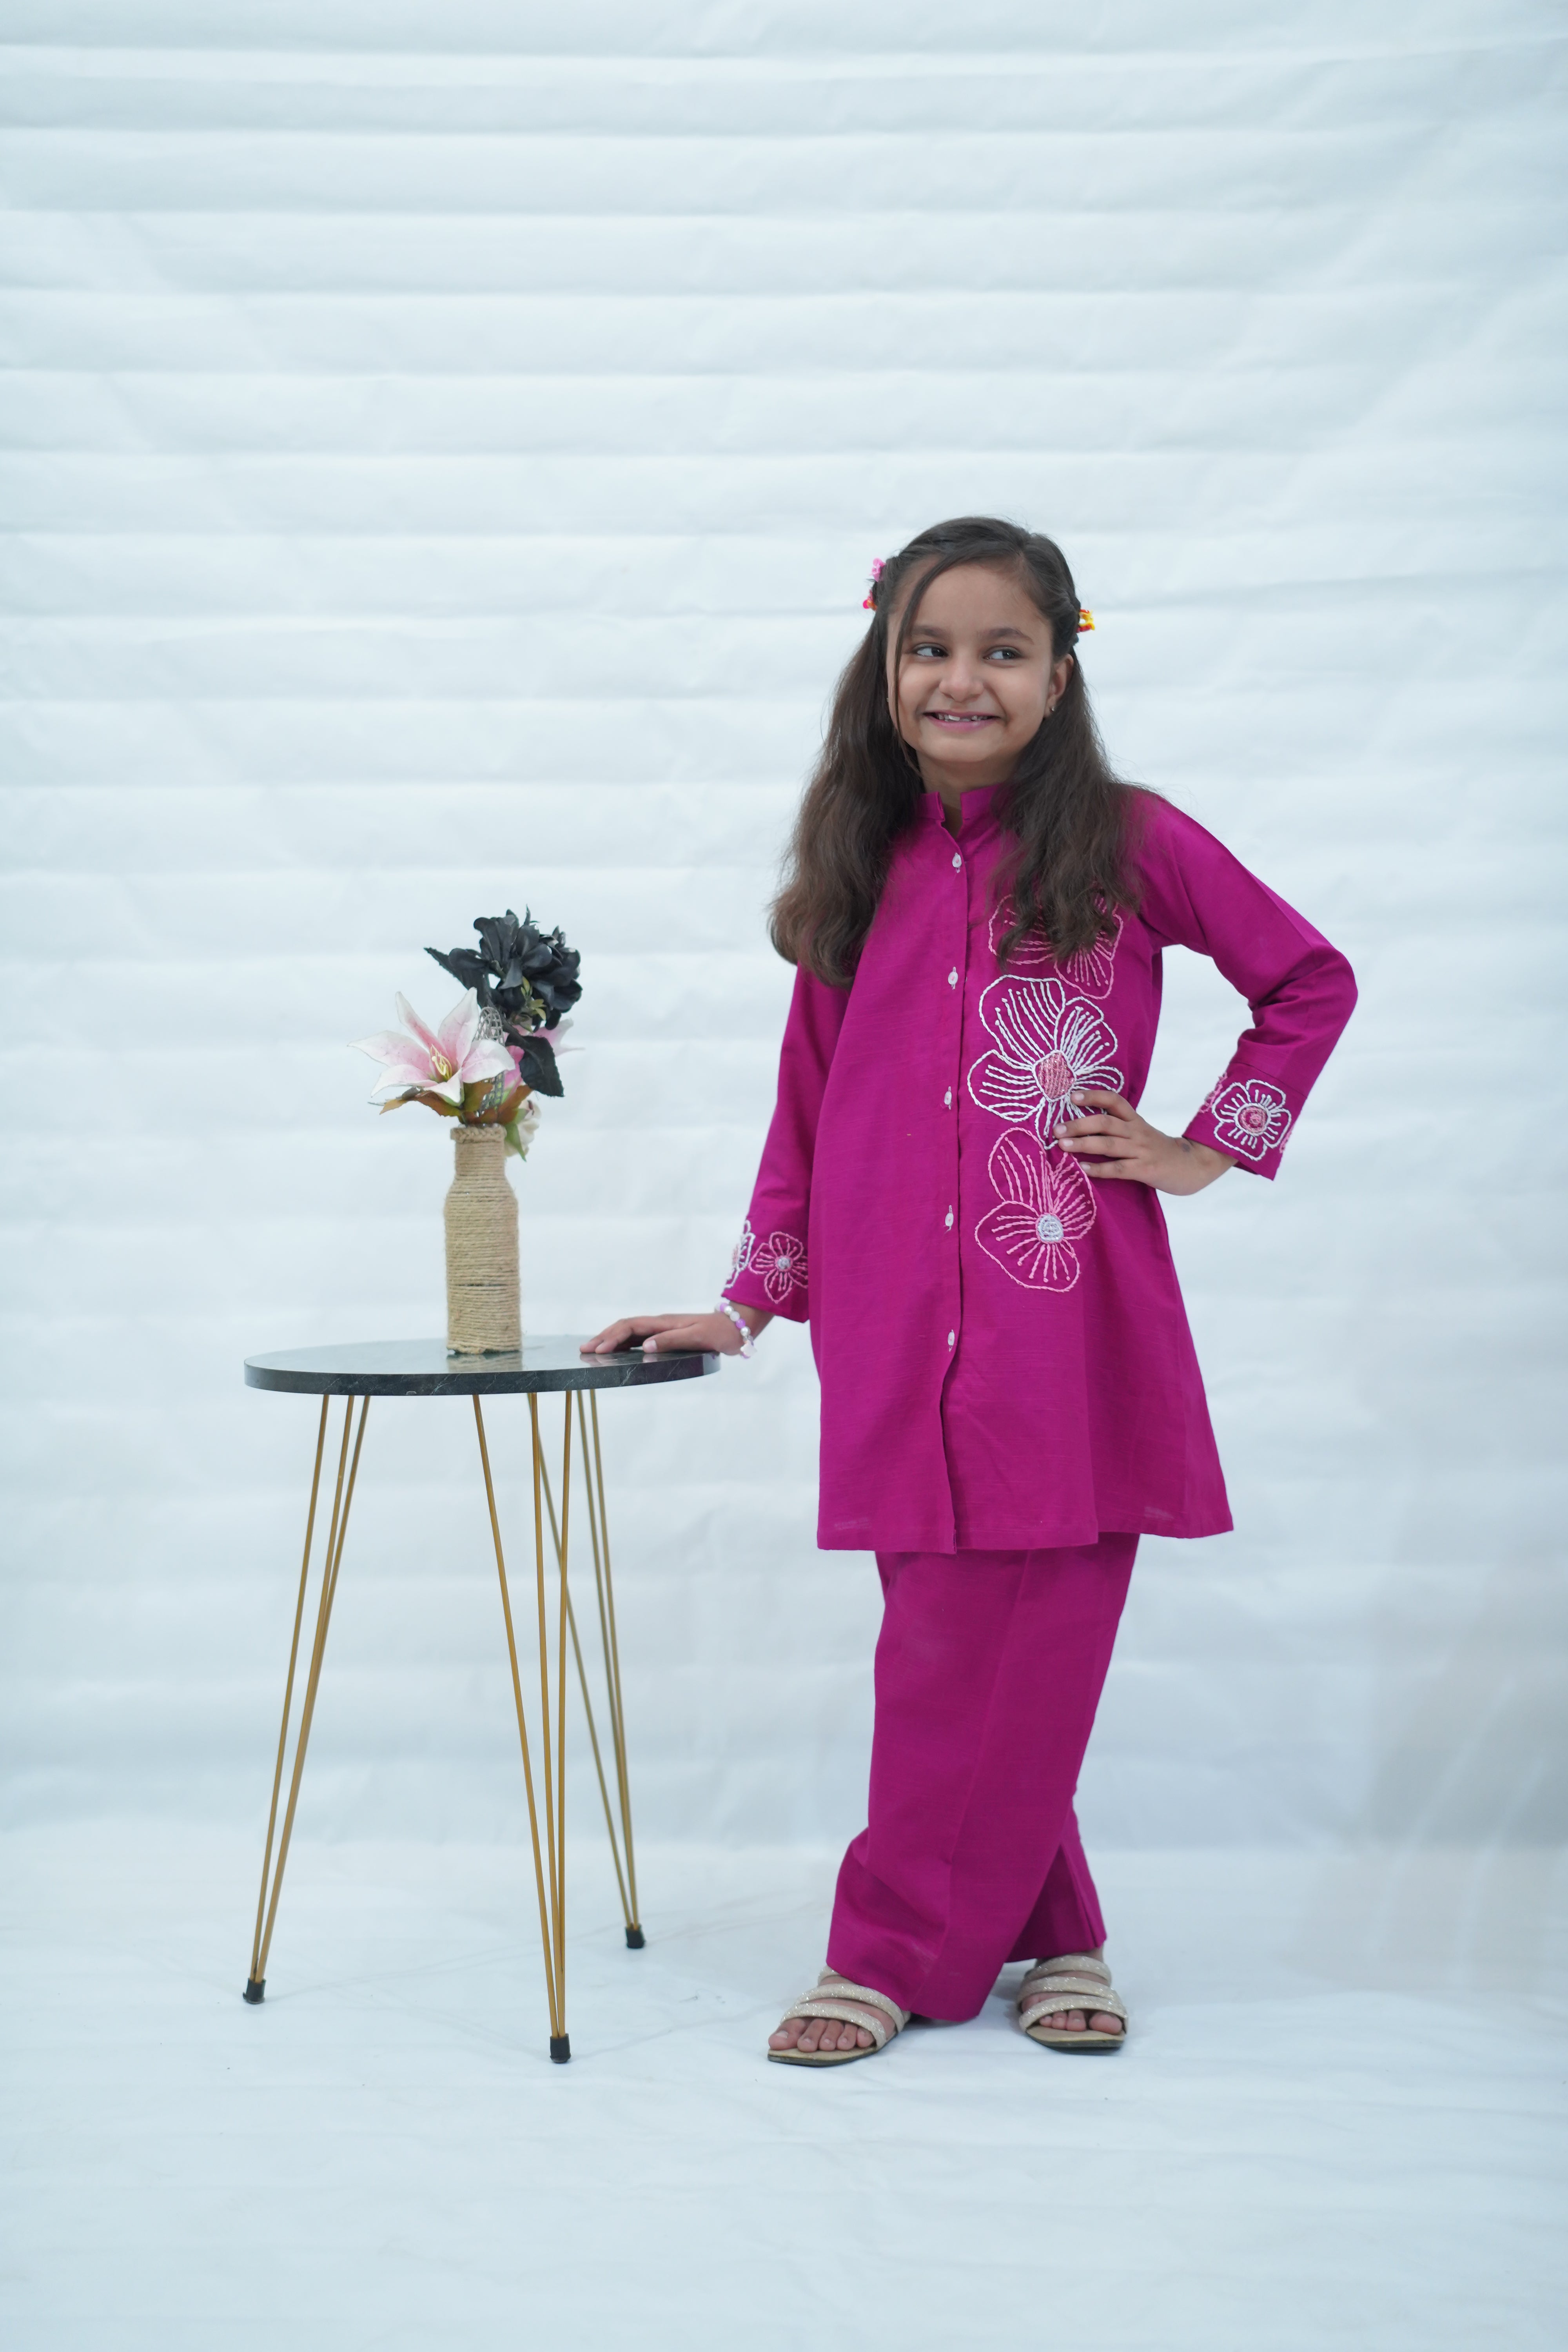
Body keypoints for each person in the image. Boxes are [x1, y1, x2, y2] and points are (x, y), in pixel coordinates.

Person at [584, 515, 1356, 2065]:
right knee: (971, 1654)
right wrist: (745, 1303)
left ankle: (884, 1956)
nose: (962, 680)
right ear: (883, 667)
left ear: (1061, 673)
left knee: (1000, 1647)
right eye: (930, 649)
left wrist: (1205, 1147)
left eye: (1003, 651)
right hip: (889, 1325)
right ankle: (1060, 1936)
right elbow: (808, 1106)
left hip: (1063, 1321)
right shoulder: (858, 863)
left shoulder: (1130, 841)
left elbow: (1306, 979)